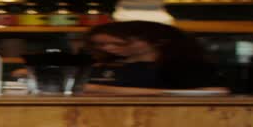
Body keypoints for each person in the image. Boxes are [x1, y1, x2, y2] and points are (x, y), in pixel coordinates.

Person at [82, 20, 229, 95]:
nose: (109, 48)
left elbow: (217, 92)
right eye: (101, 44)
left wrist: (102, 89)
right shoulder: (100, 66)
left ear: (158, 41)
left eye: (119, 43)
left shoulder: (181, 66)